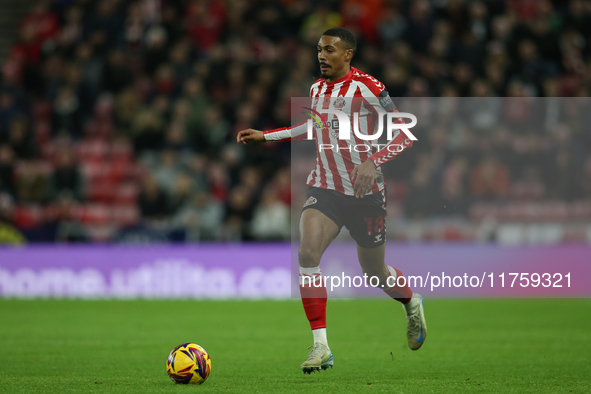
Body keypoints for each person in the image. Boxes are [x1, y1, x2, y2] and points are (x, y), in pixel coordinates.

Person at [237, 27, 426, 374]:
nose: (321, 56)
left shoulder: (369, 87)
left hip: (366, 195)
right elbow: (314, 126)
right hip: (325, 187)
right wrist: (268, 136)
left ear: (347, 54)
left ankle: (412, 303)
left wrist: (373, 160)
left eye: (328, 50)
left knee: (374, 273)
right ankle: (321, 346)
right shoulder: (316, 88)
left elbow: (405, 133)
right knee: (307, 254)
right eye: (319, 50)